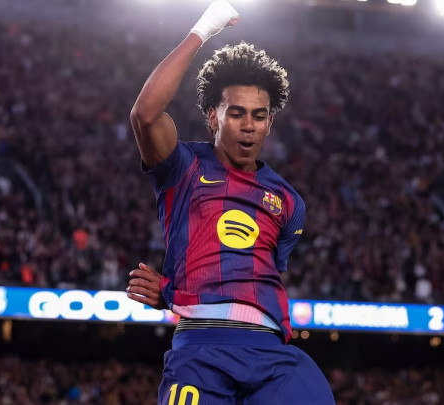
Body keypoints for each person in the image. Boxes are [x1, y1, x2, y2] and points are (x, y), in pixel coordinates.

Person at [127, 1, 335, 404]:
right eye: (236, 113)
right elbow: (145, 115)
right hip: (201, 349)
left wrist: (171, 291)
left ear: (270, 122)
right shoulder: (183, 167)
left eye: (258, 115)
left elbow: (257, 273)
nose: (248, 125)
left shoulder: (288, 202)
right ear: (213, 117)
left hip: (273, 356)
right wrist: (204, 29)